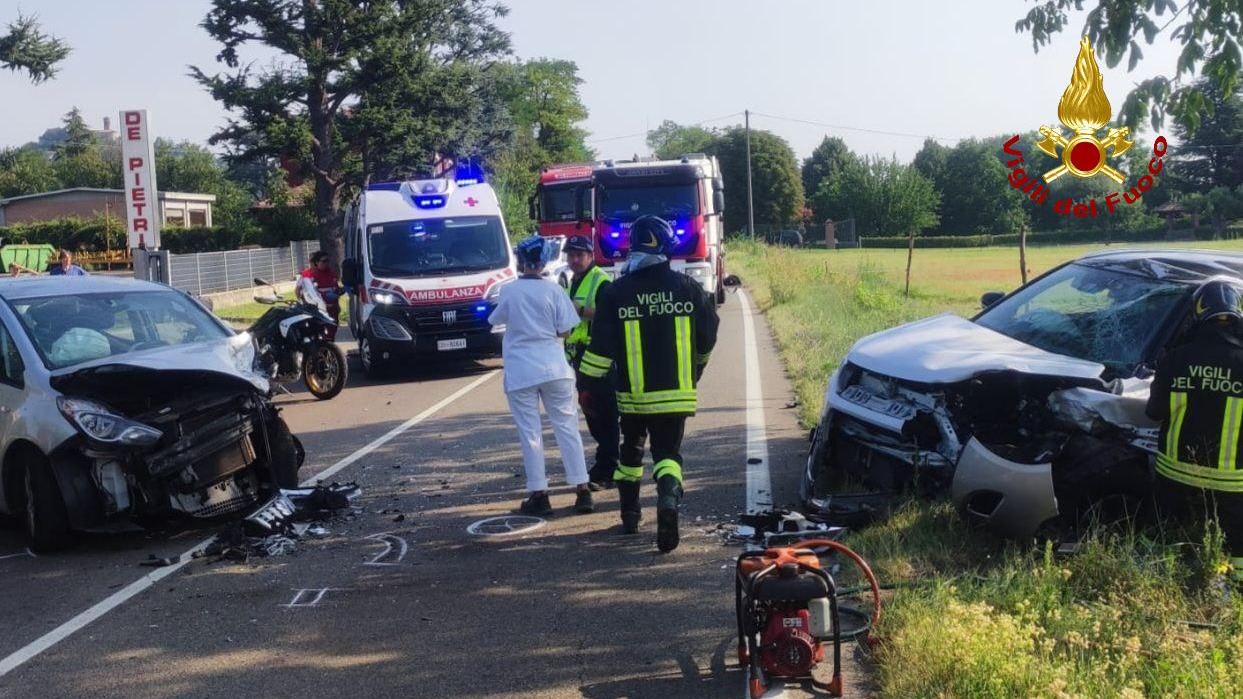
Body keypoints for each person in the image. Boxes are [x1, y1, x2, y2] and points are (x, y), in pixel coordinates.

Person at [578, 216, 719, 552]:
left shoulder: (616, 293)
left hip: (633, 397)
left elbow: (599, 349)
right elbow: (708, 335)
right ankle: (668, 500)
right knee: (668, 455)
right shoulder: (688, 288)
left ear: (633, 247)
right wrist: (696, 370)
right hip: (676, 395)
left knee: (630, 454)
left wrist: (586, 383)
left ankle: (630, 515)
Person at [488, 235, 594, 516]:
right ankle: (582, 490)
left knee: (530, 433)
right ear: (544, 261)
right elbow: (566, 330)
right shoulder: (555, 290)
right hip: (555, 368)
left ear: (520, 262)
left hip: (522, 369)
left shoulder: (509, 291)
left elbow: (495, 320)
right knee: (567, 428)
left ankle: (540, 493)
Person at [1147, 278, 1243, 584]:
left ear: (1198, 313)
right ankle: (1234, 600)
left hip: (1172, 475)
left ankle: (1164, 589)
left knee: (1168, 543)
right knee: (1236, 551)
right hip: (1231, 485)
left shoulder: (1174, 358)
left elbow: (1153, 413)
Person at [562, 234, 621, 491]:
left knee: (604, 415)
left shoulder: (601, 282)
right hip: (580, 358)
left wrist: (581, 312)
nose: (574, 259)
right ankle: (606, 462)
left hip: (599, 358)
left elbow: (612, 315)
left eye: (579, 255)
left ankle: (608, 467)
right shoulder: (571, 281)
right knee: (592, 413)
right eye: (571, 255)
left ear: (590, 255)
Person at [300, 251, 342, 340]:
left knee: (331, 334)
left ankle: (330, 351)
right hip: (318, 310)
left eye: (328, 261)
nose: (326, 263)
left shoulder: (330, 272)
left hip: (332, 308)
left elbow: (335, 287)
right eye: (324, 261)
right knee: (319, 334)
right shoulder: (310, 275)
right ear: (316, 262)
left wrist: (339, 292)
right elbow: (308, 293)